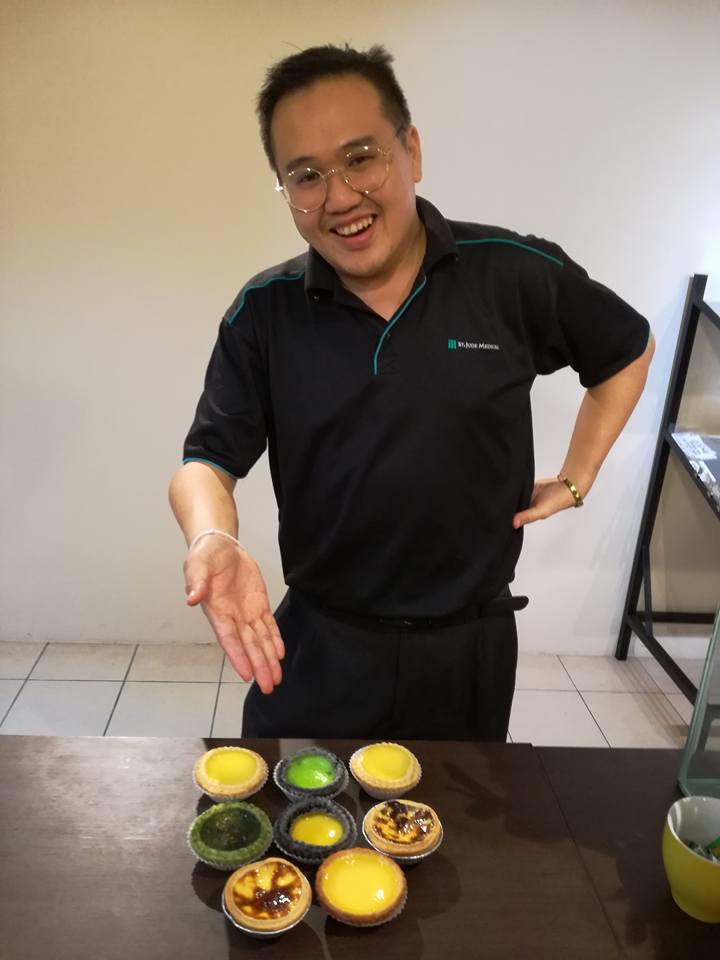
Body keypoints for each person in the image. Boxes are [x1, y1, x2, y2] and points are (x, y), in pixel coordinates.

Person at [169, 44, 654, 741]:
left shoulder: (510, 274)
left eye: (360, 158)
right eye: (305, 176)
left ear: (411, 151)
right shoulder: (265, 312)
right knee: (291, 805)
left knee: (453, 814)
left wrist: (578, 477)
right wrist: (212, 535)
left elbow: (626, 348)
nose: (340, 197)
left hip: (467, 645)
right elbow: (205, 463)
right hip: (319, 641)